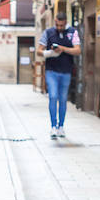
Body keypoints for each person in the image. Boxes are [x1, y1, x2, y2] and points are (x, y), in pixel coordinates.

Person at [37, 11, 80, 139]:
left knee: (62, 99)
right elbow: (39, 50)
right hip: (51, 71)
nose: (59, 27)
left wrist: (62, 49)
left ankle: (61, 126)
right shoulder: (48, 32)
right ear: (55, 22)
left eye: (61, 25)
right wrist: (49, 53)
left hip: (66, 71)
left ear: (66, 22)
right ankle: (53, 126)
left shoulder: (73, 32)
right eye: (57, 25)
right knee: (53, 96)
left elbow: (78, 50)